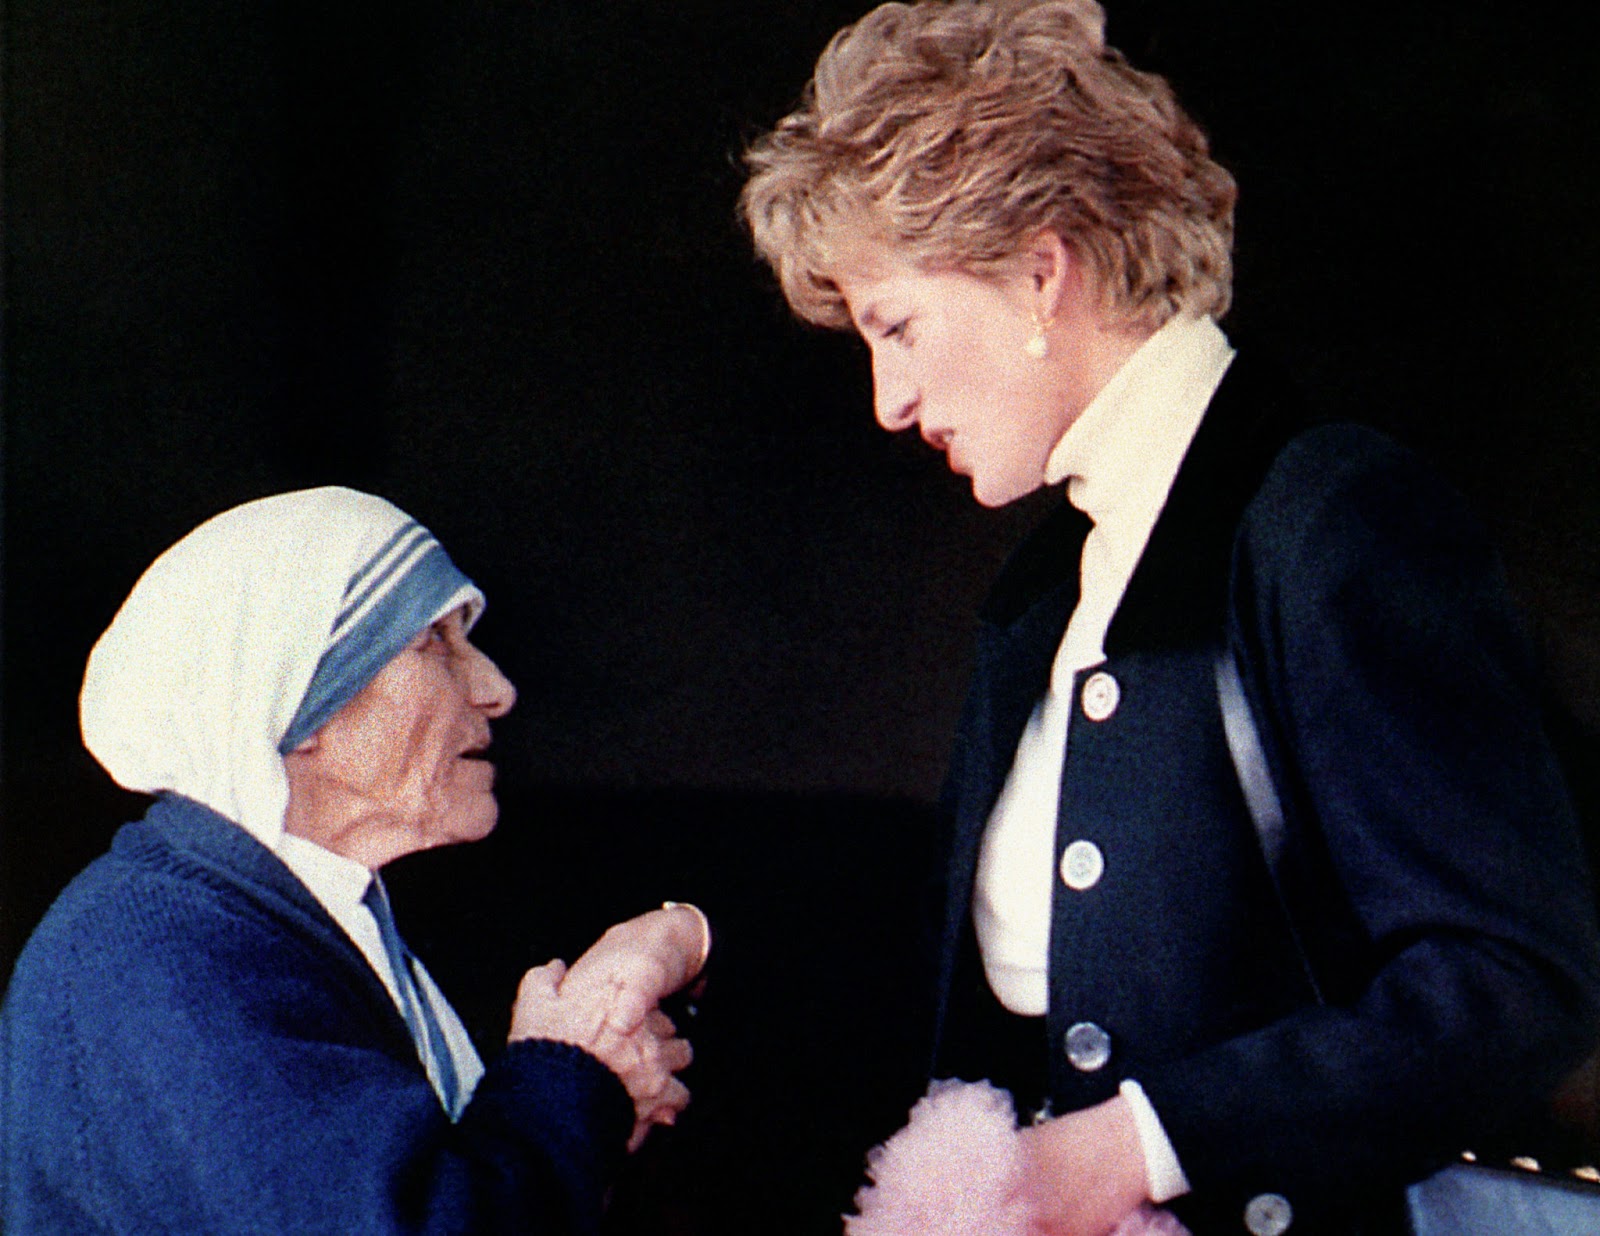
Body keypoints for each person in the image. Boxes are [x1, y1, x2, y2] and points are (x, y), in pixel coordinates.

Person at [740, 1, 1600, 1232]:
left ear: (1041, 271)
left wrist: (1144, 1145)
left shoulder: (1328, 518)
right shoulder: (1043, 593)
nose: (887, 401)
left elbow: (1516, 982)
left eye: (895, 326)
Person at [0, 486, 712, 1234]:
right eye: (435, 643)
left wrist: (588, 1107)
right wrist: (572, 1072)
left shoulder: (281, 921)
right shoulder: (154, 956)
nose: (495, 689)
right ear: (301, 706)